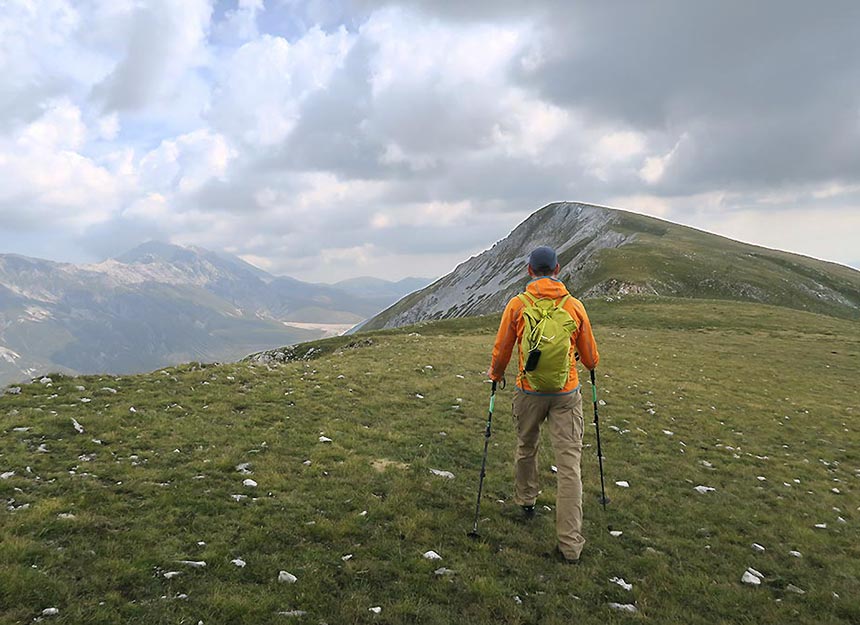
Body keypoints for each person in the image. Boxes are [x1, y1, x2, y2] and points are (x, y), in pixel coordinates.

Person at [487, 245, 599, 563]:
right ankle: (570, 546)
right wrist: (584, 360)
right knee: (569, 467)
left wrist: (495, 375)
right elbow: (591, 357)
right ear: (558, 269)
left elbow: (502, 349)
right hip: (566, 394)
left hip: (528, 390)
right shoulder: (574, 306)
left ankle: (526, 501)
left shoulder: (518, 305)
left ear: (529, 271)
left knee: (526, 446)